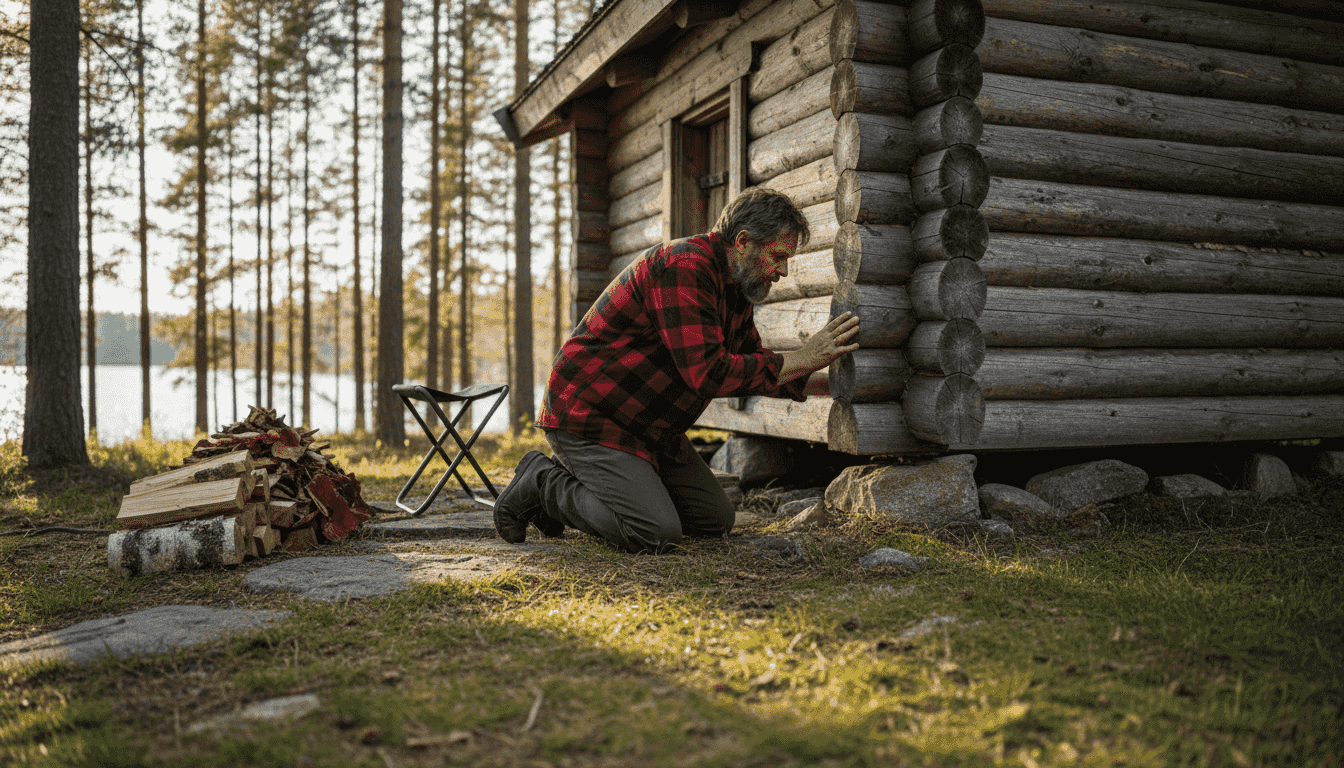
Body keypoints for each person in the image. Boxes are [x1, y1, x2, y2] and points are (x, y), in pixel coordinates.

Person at [493, 187, 860, 552]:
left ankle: (594, 479)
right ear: (744, 242)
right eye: (778, 256)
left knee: (714, 520)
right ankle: (542, 482)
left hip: (650, 428)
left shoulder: (735, 289)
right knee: (654, 532)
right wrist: (805, 355)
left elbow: (754, 366)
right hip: (591, 416)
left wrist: (837, 385)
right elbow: (709, 373)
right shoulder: (684, 266)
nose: (782, 271)